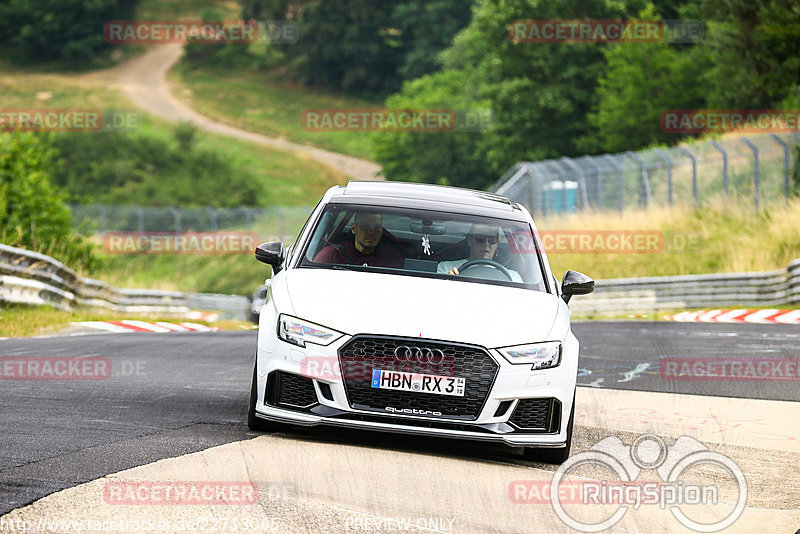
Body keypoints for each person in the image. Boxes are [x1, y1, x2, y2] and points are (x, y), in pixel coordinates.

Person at [313, 212, 404, 268]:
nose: (371, 232)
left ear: (382, 231)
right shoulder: (331, 254)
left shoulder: (392, 258)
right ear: (353, 229)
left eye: (377, 227)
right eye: (365, 227)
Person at [437, 223, 523, 282]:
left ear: (497, 244)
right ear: (469, 240)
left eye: (492, 240)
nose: (486, 244)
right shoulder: (446, 268)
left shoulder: (513, 277)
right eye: (480, 239)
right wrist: (448, 281)